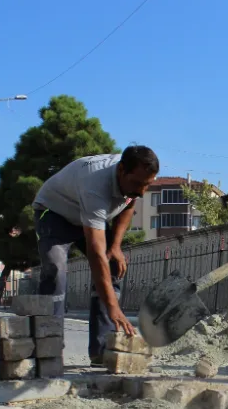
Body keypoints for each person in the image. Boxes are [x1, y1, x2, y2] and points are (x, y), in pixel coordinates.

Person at [31, 145, 160, 363]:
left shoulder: (134, 179)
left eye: (147, 185)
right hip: (53, 213)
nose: (142, 191)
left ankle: (102, 350)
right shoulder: (95, 185)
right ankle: (48, 347)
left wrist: (116, 246)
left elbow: (129, 204)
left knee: (112, 265)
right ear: (121, 171)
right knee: (55, 269)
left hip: (85, 215)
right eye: (138, 184)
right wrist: (114, 308)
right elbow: (96, 254)